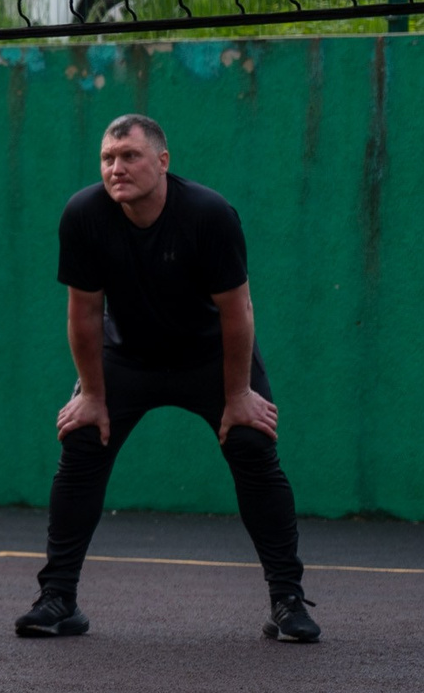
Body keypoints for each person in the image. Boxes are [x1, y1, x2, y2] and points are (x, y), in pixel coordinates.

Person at [18, 114, 319, 644]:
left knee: (251, 443)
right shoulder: (84, 214)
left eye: (130, 156)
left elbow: (238, 311)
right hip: (126, 358)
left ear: (162, 162)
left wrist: (237, 396)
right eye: (108, 158)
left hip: (211, 357)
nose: (117, 168)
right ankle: (58, 599)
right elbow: (84, 314)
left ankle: (287, 601)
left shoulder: (208, 214)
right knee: (82, 440)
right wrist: (91, 394)